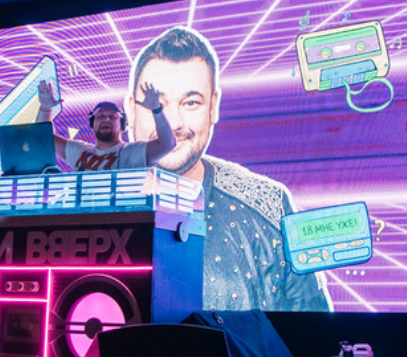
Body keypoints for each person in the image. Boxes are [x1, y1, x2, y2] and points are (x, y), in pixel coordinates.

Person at [124, 26, 331, 312]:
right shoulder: (76, 203)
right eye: (155, 105)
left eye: (191, 102)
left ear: (213, 107)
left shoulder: (270, 206)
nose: (173, 124)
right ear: (130, 109)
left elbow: (315, 330)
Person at [37, 80, 176, 171]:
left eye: (112, 116)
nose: (106, 119)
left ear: (123, 124)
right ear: (92, 123)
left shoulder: (133, 151)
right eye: (101, 116)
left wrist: (157, 110)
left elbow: (167, 144)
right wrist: (46, 109)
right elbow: (43, 140)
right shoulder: (78, 150)